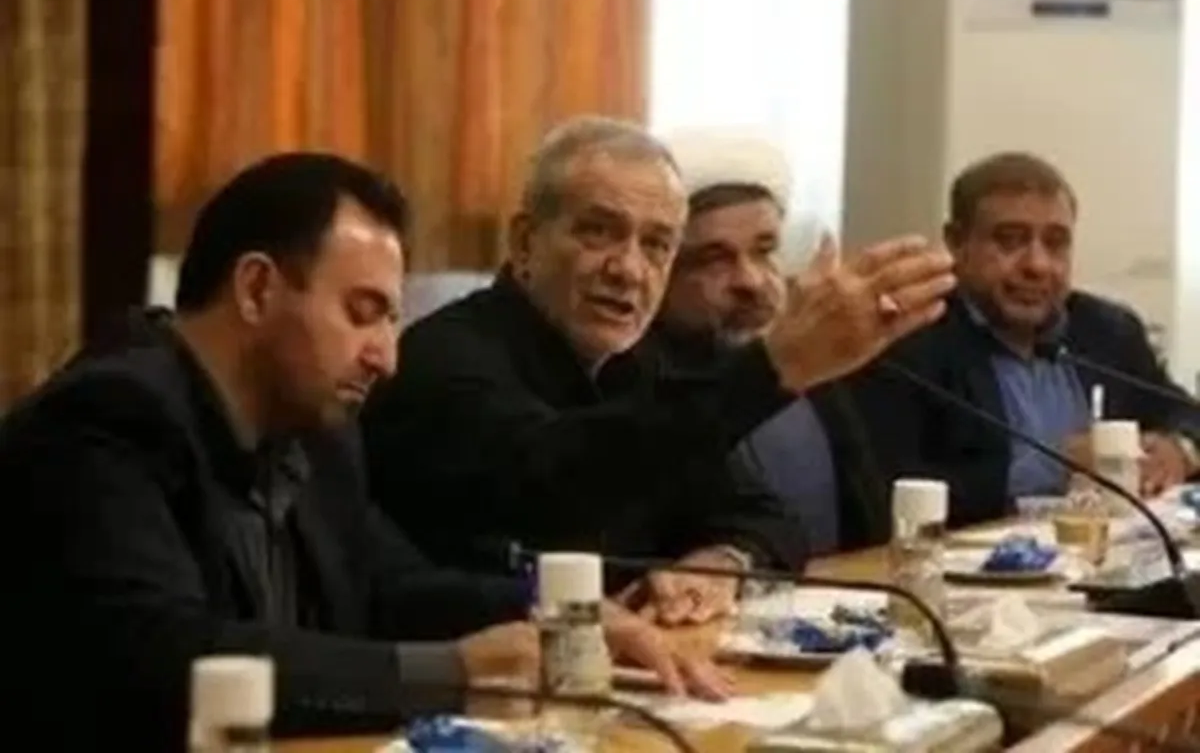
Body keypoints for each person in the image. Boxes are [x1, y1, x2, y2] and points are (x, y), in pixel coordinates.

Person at [0, 153, 724, 749]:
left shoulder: (319, 428)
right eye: (363, 313)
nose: (387, 357)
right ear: (257, 288)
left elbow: (390, 587)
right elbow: (163, 656)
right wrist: (451, 671)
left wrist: (564, 612)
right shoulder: (104, 420)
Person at [361, 117, 955, 627]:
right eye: (599, 232)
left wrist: (722, 561)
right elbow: (563, 480)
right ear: (524, 243)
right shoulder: (444, 357)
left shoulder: (638, 365)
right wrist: (776, 364)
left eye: (656, 245)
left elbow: (766, 516)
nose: (628, 269)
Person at [862, 151, 1200, 527]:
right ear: (956, 243)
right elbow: (887, 491)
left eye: (1056, 243)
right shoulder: (910, 341)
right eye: (1010, 241)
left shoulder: (1108, 331)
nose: (1037, 265)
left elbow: (1186, 413)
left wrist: (1179, 449)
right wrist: (1055, 466)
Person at [655, 131, 890, 554]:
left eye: (764, 251)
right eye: (714, 259)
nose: (750, 281)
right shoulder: (639, 388)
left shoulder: (811, 368)